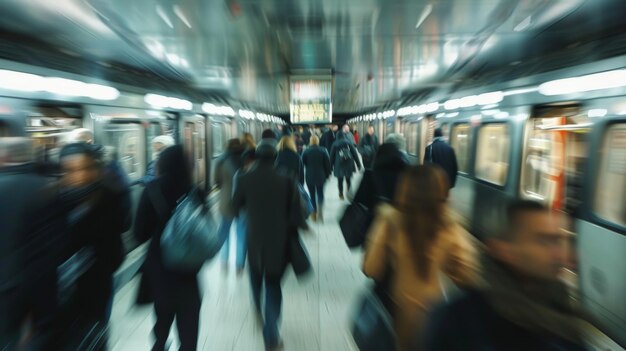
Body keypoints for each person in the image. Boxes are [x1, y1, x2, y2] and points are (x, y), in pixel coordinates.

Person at [424, 200, 588, 351]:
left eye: (558, 241)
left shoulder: (561, 308)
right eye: (544, 241)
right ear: (504, 250)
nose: (560, 255)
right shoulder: (459, 322)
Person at [363, 165, 479, 351]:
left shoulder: (390, 221)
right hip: (436, 315)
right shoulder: (450, 227)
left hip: (397, 312)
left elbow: (371, 268)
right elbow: (467, 275)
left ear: (404, 189)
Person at [233, 142, 307, 350]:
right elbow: (297, 212)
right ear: (275, 158)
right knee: (273, 286)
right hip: (279, 240)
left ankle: (257, 307)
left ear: (256, 157)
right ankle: (271, 336)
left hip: (254, 239)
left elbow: (235, 206)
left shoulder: (244, 177)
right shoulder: (286, 179)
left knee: (255, 277)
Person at [56, 142, 129, 347]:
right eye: (69, 170)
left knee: (94, 337)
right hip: (58, 296)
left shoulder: (110, 198)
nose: (78, 175)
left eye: (85, 168)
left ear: (96, 169)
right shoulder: (52, 203)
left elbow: (116, 251)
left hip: (96, 288)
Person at [0, 138, 66, 350]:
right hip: (41, 278)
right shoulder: (46, 187)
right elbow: (60, 237)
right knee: (44, 329)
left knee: (8, 332)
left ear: (5, 157)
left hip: (5, 282)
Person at [134, 145, 201, 351]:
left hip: (160, 268)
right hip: (188, 270)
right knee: (189, 328)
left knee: (162, 320)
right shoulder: (195, 191)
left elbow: (139, 233)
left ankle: (160, 344)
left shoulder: (151, 190)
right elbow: (204, 231)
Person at [353, 134, 410, 219]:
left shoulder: (370, 174)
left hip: (376, 222)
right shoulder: (408, 175)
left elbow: (359, 200)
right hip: (400, 221)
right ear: (402, 147)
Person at [215, 139, 245, 273]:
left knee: (225, 232)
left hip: (226, 201)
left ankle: (224, 261)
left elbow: (217, 182)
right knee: (241, 233)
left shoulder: (221, 161)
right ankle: (239, 264)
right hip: (244, 202)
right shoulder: (246, 160)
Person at [302, 135, 331, 221]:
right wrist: (327, 175)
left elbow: (302, 163)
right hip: (321, 176)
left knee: (312, 195)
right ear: (318, 141)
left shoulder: (306, 151)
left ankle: (314, 214)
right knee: (320, 194)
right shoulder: (323, 150)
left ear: (310, 141)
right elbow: (328, 165)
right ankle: (321, 214)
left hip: (309, 176)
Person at [330, 131, 362, 200]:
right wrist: (358, 164)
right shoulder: (348, 142)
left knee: (340, 180)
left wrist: (330, 167)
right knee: (348, 179)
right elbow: (354, 154)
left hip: (339, 164)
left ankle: (341, 194)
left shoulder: (335, 143)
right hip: (349, 164)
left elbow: (331, 156)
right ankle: (349, 193)